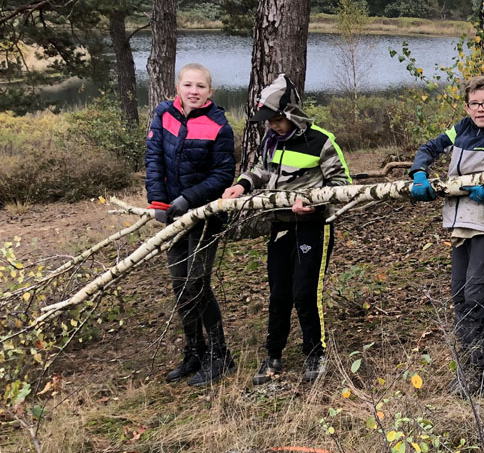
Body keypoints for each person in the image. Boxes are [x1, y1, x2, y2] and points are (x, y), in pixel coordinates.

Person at [221, 74, 351, 385]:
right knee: (279, 294)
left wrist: (312, 204)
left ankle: (314, 355)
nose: (273, 126)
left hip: (313, 227)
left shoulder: (322, 141)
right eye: (269, 121)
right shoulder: (270, 141)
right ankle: (273, 356)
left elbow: (342, 186)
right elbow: (262, 170)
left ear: (291, 113)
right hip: (279, 226)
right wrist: (242, 185)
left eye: (277, 119)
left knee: (304, 293)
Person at [408, 75, 484, 396]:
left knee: (476, 291)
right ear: (467, 106)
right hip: (460, 223)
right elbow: (430, 147)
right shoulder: (461, 129)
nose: (480, 109)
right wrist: (419, 171)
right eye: (475, 103)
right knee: (459, 293)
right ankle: (470, 364)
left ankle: (483, 370)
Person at [145, 63, 237, 387]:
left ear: (210, 92)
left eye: (200, 86)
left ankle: (220, 355)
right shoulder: (163, 114)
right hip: (173, 217)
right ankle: (194, 351)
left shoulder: (219, 126)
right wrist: (158, 202)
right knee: (180, 287)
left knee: (197, 285)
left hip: (205, 218)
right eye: (188, 85)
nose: (193, 91)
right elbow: (154, 157)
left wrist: (188, 198)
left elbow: (222, 177)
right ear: (178, 87)